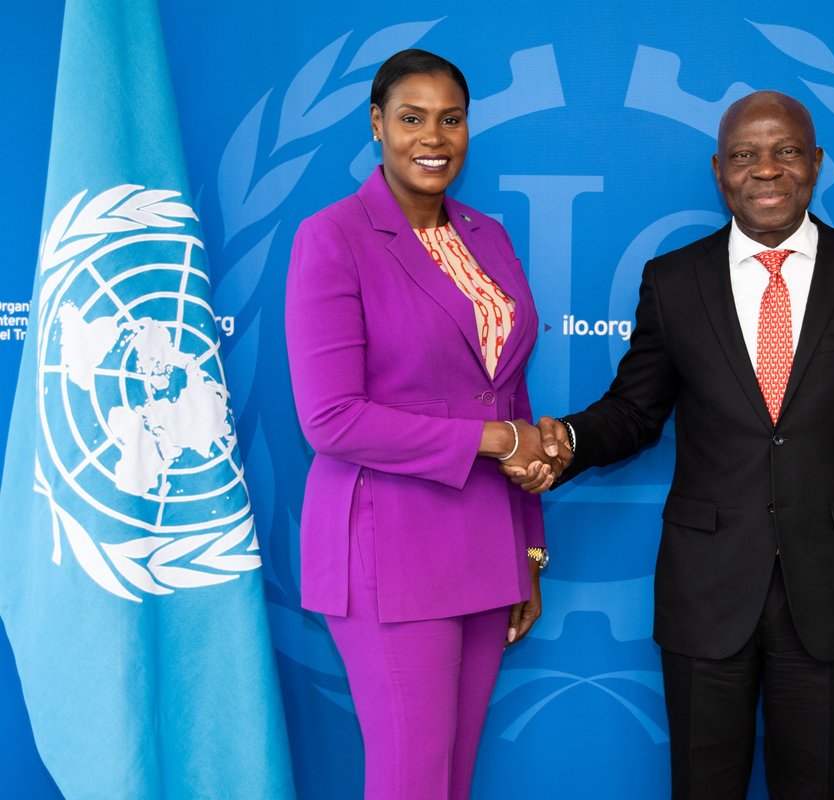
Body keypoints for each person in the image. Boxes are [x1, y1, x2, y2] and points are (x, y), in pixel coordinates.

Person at [507, 91, 834, 799]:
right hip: (706, 595)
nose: (766, 170)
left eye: (786, 151)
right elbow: (635, 412)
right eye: (745, 155)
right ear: (718, 171)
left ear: (817, 163)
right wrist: (568, 440)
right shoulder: (675, 282)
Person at [285, 49, 558, 800]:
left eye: (451, 119)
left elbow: (509, 395)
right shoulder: (332, 237)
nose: (432, 136)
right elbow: (332, 420)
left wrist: (527, 546)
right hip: (387, 546)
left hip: (485, 541)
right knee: (411, 783)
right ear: (377, 126)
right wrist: (495, 442)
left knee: (451, 782)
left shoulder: (487, 235)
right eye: (411, 118)